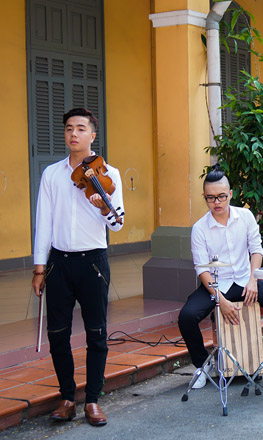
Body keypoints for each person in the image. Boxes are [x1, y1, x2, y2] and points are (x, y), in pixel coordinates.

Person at [32, 108, 124, 427]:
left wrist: (103, 209)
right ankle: (68, 398)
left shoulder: (109, 173)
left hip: (93, 262)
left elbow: (118, 223)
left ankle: (93, 400)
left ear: (92, 135)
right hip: (59, 262)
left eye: (81, 128)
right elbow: (44, 222)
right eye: (69, 128)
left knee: (96, 333)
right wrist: (39, 268)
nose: (74, 133)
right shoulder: (52, 174)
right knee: (57, 333)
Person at [178, 166, 263, 385]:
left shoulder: (245, 216)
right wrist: (220, 300)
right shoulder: (200, 228)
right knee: (187, 317)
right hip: (217, 285)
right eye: (210, 198)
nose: (216, 202)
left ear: (230, 194)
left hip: (247, 281)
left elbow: (256, 250)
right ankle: (202, 365)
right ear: (204, 197)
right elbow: (202, 269)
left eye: (221, 196)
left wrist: (254, 280)